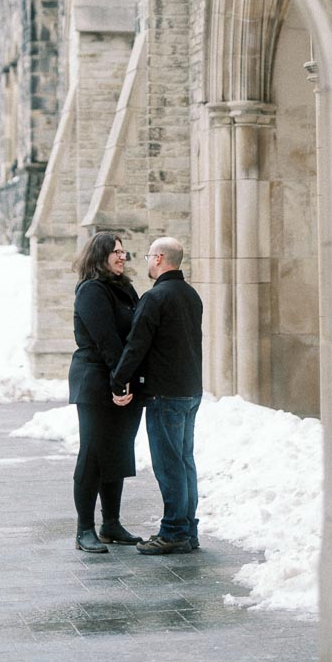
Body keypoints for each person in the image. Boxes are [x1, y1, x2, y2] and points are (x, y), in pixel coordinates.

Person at [109, 236, 203, 556]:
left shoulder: (155, 297)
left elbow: (137, 345)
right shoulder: (192, 296)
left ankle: (174, 531)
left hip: (165, 393)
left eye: (149, 255)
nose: (147, 261)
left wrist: (118, 380)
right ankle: (188, 529)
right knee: (185, 461)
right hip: (190, 391)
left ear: (160, 258)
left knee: (169, 465)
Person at [68, 231, 144, 553]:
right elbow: (107, 340)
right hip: (97, 380)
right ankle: (84, 528)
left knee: (118, 451)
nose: (122, 256)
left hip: (121, 377)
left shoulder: (125, 289)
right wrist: (118, 380)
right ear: (100, 256)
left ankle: (110, 523)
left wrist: (127, 377)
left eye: (124, 251)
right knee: (94, 454)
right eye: (115, 251)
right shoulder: (91, 291)